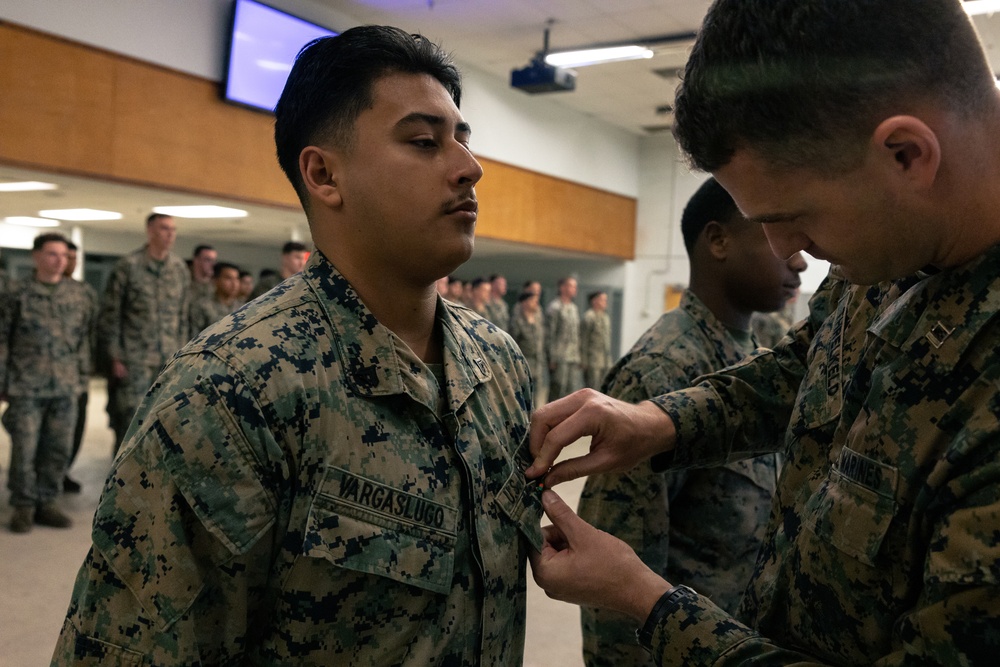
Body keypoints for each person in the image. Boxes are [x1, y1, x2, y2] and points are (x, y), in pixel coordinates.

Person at [526, 1, 1000, 665]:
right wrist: (661, 422)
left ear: (906, 153)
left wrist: (649, 602)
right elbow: (810, 366)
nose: (791, 251)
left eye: (793, 216)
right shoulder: (894, 246)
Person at [54, 25, 539, 666]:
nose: (468, 167)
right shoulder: (228, 392)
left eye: (462, 139)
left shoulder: (496, 363)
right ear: (323, 174)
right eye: (424, 142)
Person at [577, 177, 806, 666]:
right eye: (774, 233)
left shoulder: (761, 364)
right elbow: (616, 574)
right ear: (718, 241)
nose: (800, 258)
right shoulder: (662, 373)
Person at [0, 233, 95, 533]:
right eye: (53, 254)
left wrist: (82, 377)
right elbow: (2, 339)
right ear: (36, 256)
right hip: (26, 384)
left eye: (64, 255)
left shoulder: (80, 294)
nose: (60, 261)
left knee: (57, 448)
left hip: (66, 385)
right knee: (25, 448)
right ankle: (24, 505)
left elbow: (84, 338)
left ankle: (48, 502)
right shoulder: (16, 293)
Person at [98, 212, 190, 452]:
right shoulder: (128, 266)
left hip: (167, 359)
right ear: (150, 231)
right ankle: (121, 480)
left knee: (164, 420)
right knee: (130, 421)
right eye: (164, 229)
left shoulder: (179, 268)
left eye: (173, 229)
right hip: (134, 359)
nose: (170, 234)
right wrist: (115, 356)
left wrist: (181, 355)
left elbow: (182, 316)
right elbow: (111, 313)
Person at [61, 240, 98, 494]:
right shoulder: (24, 291)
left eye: (74, 258)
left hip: (79, 372)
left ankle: (63, 471)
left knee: (75, 426)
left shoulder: (85, 292)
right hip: (39, 375)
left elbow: (94, 330)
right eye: (67, 257)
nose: (70, 263)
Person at [546, 276, 582, 400]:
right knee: (558, 388)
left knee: (571, 389)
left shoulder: (573, 308)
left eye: (575, 286)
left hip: (572, 355)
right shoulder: (555, 307)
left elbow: (576, 334)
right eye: (571, 286)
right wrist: (552, 357)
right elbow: (550, 333)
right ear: (562, 287)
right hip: (559, 355)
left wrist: (578, 355)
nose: (574, 289)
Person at [509, 289, 545, 408]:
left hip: (537, 361)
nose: (536, 304)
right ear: (525, 302)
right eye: (534, 301)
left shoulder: (538, 318)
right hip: (524, 361)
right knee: (524, 393)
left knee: (537, 393)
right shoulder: (517, 320)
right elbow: (514, 341)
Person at [189, 261, 243, 335]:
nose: (234, 283)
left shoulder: (243, 308)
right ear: (215, 280)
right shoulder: (202, 306)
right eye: (228, 278)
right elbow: (194, 336)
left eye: (236, 279)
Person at [579, 290, 612, 390]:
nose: (605, 302)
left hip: (604, 360)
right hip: (592, 360)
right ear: (594, 301)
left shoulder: (605, 317)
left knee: (603, 388)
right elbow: (583, 339)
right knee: (592, 388)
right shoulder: (589, 317)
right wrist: (583, 360)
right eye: (603, 300)